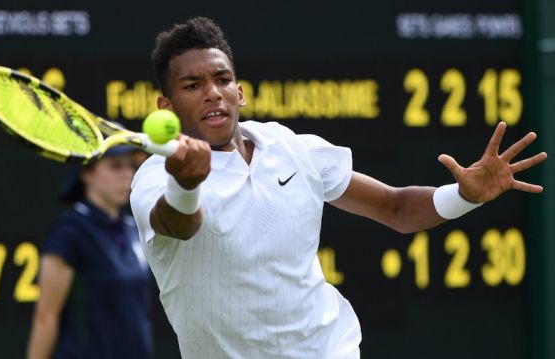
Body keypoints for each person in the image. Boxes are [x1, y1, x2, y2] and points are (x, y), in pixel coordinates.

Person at [129, 17, 548, 359]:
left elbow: (396, 208)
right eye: (192, 86)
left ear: (240, 91)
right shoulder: (156, 175)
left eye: (222, 80)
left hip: (331, 349)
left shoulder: (294, 148)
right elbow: (177, 224)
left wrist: (465, 196)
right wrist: (186, 184)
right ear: (165, 107)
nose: (212, 94)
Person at [27, 146, 153, 359]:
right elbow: (46, 317)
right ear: (86, 174)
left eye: (130, 166)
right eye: (115, 166)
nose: (127, 175)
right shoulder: (70, 232)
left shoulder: (133, 228)